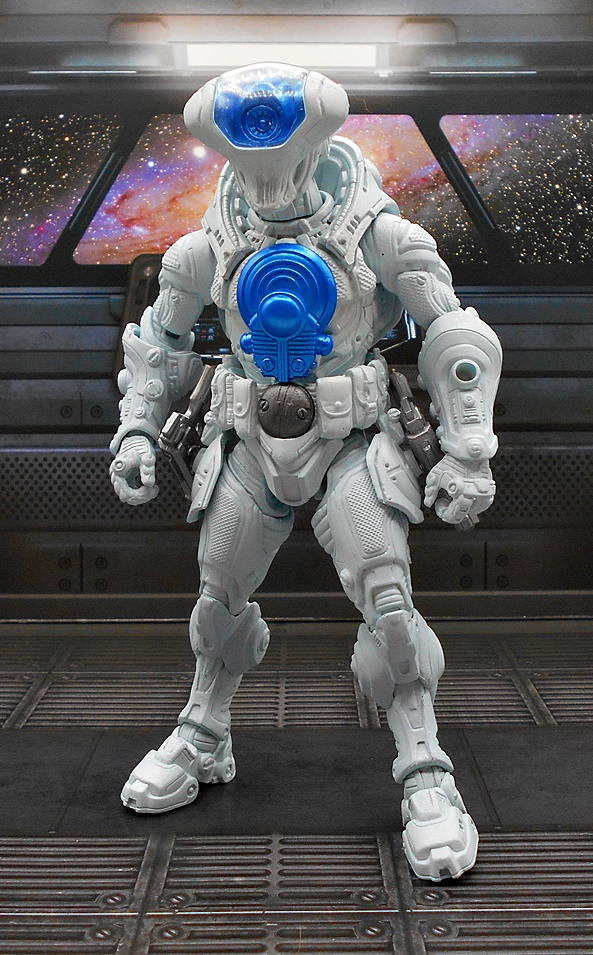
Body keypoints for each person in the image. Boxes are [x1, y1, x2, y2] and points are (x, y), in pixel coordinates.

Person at [109, 63, 502, 882]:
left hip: (350, 436)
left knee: (388, 602)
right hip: (248, 437)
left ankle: (425, 772)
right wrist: (138, 429)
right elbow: (158, 345)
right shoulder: (204, 246)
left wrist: (467, 450)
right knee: (217, 598)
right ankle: (203, 734)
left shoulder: (379, 235)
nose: (268, 182)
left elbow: (456, 337)